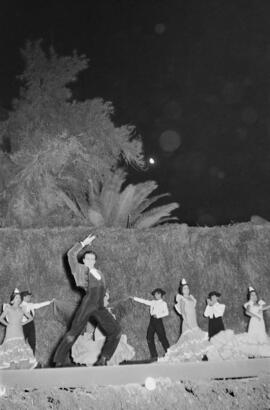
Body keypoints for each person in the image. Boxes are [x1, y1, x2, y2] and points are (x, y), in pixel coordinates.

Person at [53, 234, 121, 367]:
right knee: (74, 332)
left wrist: (105, 296)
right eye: (87, 258)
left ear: (95, 261)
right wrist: (83, 243)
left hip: (99, 305)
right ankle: (58, 360)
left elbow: (102, 289)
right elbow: (71, 254)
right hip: (88, 303)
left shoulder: (100, 273)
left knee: (116, 330)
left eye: (92, 259)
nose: (90, 260)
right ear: (83, 260)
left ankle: (103, 358)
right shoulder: (79, 269)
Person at [72, 290, 135, 366]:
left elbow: (119, 310)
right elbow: (89, 329)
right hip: (97, 343)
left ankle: (103, 363)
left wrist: (127, 301)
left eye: (106, 298)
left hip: (108, 342)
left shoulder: (111, 311)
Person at [161, 279, 209, 363]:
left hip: (194, 321)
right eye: (185, 289)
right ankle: (186, 359)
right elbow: (183, 313)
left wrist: (193, 322)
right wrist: (187, 322)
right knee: (188, 340)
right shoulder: (182, 300)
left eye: (187, 288)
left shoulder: (191, 298)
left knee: (196, 339)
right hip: (187, 322)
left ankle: (196, 358)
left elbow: (193, 309)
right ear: (182, 291)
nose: (187, 290)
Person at [0, 289, 37, 369]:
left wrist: (23, 323)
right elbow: (1, 318)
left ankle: (18, 370)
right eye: (17, 297)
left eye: (19, 298)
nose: (18, 299)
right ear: (13, 299)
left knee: (20, 347)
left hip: (19, 330)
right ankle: (11, 369)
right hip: (11, 331)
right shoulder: (8, 308)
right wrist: (7, 324)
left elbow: (30, 318)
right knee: (10, 347)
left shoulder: (22, 309)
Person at [131, 288, 170, 361]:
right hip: (152, 321)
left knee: (162, 337)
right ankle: (154, 355)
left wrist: (158, 315)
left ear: (161, 295)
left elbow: (166, 313)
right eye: (155, 294)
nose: (156, 295)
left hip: (158, 321)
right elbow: (144, 301)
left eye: (157, 294)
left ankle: (169, 353)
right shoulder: (153, 302)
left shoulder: (163, 303)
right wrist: (135, 298)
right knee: (149, 337)